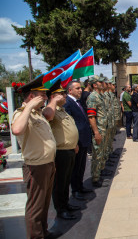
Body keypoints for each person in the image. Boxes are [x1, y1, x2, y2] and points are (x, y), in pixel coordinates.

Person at [11, 76, 56, 239]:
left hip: (48, 164)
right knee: (35, 207)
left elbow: (50, 115)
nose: (45, 98)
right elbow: (17, 130)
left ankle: (43, 233)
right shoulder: (22, 113)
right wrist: (29, 106)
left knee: (44, 205)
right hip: (36, 166)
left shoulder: (38, 113)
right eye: (42, 95)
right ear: (31, 96)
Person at [43, 80, 80, 220]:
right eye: (61, 94)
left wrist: (74, 143)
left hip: (69, 150)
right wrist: (53, 101)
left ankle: (65, 204)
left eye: (65, 93)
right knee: (59, 182)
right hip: (60, 152)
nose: (64, 96)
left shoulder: (62, 110)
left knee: (66, 181)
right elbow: (48, 116)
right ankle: (61, 209)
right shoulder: (51, 109)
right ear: (53, 96)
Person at [64, 81, 93, 201]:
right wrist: (74, 142)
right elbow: (69, 124)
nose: (80, 90)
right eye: (77, 88)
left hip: (84, 138)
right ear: (70, 90)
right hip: (77, 140)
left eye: (80, 88)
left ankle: (80, 186)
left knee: (81, 166)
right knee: (76, 168)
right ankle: (75, 190)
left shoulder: (78, 101)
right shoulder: (67, 103)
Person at [86, 75, 109, 188]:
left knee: (102, 152)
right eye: (100, 82)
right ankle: (95, 178)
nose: (102, 84)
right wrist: (96, 132)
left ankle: (101, 172)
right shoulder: (92, 97)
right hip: (99, 130)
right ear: (95, 84)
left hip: (104, 129)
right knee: (97, 154)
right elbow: (91, 116)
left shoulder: (100, 96)